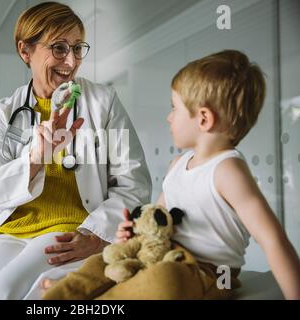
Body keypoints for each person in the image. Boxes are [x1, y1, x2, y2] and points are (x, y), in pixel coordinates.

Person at [41, 50, 300, 300]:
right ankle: (66, 292)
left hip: (205, 273)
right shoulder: (178, 164)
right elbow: (158, 218)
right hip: (160, 252)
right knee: (104, 259)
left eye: (174, 108)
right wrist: (133, 232)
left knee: (165, 281)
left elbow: (273, 240)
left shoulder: (228, 171)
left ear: (204, 119)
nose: (168, 117)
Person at [0, 2, 152, 300]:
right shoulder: (4, 112)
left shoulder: (104, 102)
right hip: (10, 230)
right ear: (25, 51)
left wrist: (96, 235)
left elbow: (134, 184)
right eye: (58, 48)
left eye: (77, 48)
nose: (71, 61)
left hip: (68, 229)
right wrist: (35, 158)